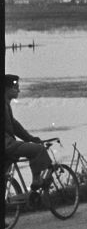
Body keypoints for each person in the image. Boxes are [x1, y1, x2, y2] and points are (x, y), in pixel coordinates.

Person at [4, 73, 53, 204]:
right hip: (7, 145)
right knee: (38, 149)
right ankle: (36, 180)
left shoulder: (5, 104)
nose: (19, 90)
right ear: (7, 89)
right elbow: (14, 126)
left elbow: (14, 125)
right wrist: (31, 139)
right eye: (16, 88)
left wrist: (30, 138)